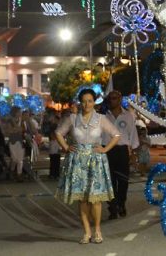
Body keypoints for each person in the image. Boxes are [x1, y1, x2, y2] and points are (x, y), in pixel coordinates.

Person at [54, 88, 121, 244]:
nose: (86, 104)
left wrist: (105, 149)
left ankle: (97, 230)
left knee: (95, 200)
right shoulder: (72, 119)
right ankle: (86, 232)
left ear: (94, 102)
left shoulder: (101, 118)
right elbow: (58, 133)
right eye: (84, 101)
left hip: (95, 162)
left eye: (90, 101)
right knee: (82, 200)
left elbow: (117, 135)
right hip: (77, 162)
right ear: (80, 102)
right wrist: (65, 146)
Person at [103, 90, 139, 220]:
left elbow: (133, 135)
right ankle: (112, 207)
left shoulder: (128, 116)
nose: (112, 100)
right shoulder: (104, 116)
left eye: (115, 98)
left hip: (122, 150)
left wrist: (134, 154)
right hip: (107, 151)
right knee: (109, 181)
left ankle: (121, 203)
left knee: (123, 180)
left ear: (119, 99)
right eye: (110, 98)